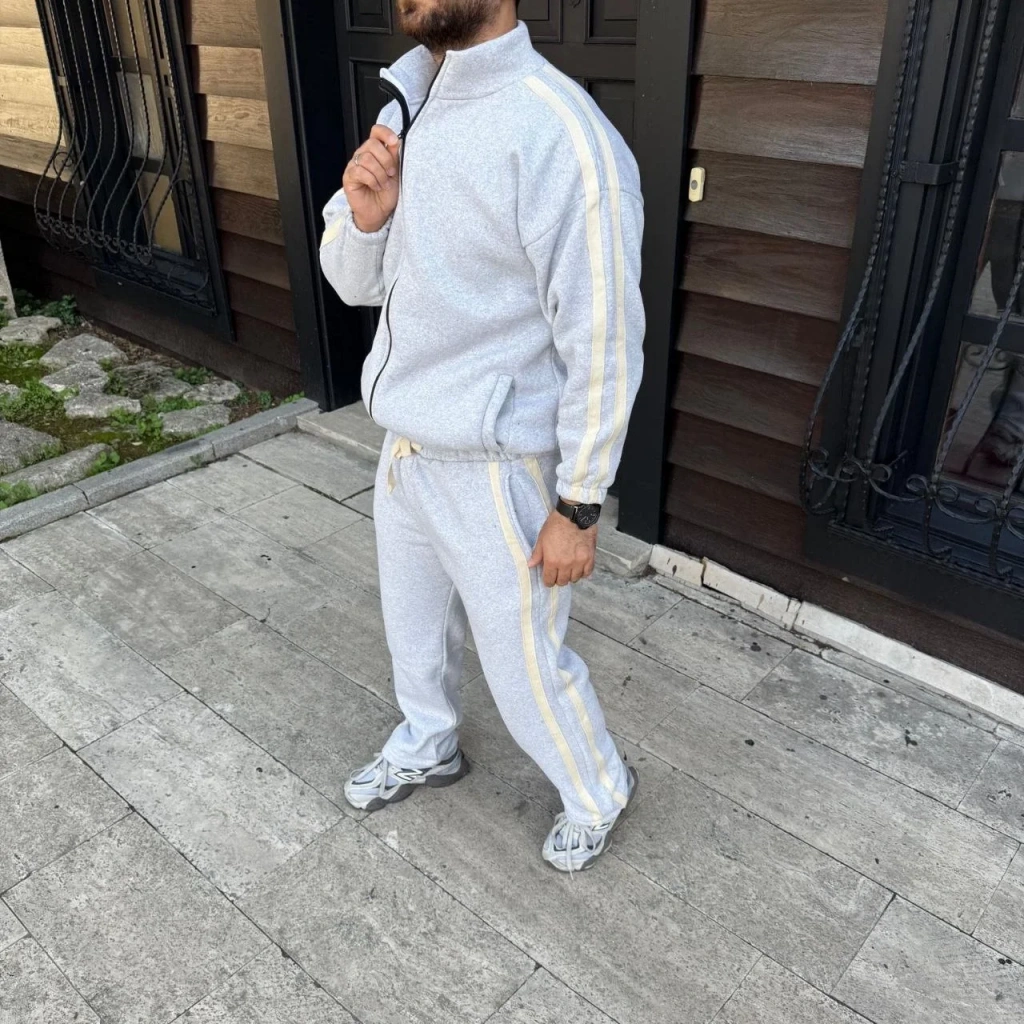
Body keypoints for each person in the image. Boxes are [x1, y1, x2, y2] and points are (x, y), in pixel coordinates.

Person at [320, 0, 645, 873]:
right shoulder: (408, 106)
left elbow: (604, 341)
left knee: (524, 664)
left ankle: (599, 788)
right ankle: (428, 743)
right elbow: (353, 283)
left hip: (499, 468)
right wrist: (367, 219)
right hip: (406, 449)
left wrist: (579, 504)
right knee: (413, 634)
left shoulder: (563, 136)